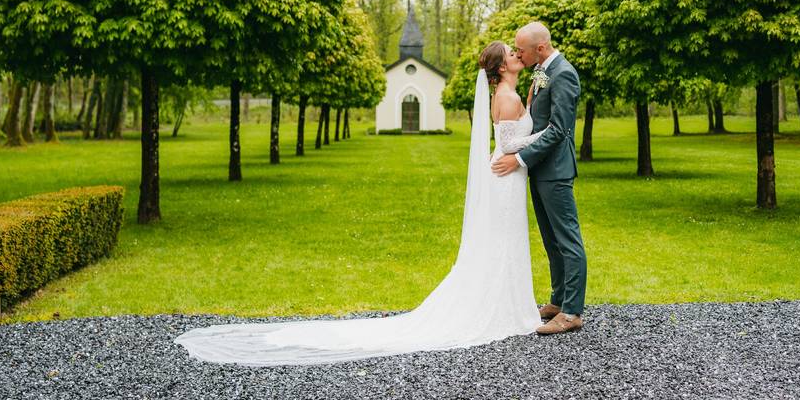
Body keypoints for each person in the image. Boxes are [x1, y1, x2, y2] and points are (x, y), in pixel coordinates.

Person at [174, 41, 548, 366]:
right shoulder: (507, 97)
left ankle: (507, 301)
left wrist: (531, 108)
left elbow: (511, 132)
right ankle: (504, 307)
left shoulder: (511, 95)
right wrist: (549, 133)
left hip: (505, 176)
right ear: (501, 67)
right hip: (506, 173)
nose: (518, 55)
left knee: (502, 240)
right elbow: (513, 143)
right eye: (512, 54)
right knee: (503, 239)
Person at [491, 21, 587, 335]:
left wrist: (518, 158)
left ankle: (572, 312)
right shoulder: (542, 71)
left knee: (567, 240)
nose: (518, 53)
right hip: (539, 170)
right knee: (550, 240)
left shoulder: (564, 74)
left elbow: (559, 131)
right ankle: (558, 301)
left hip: (556, 171)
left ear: (540, 48)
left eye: (521, 49)